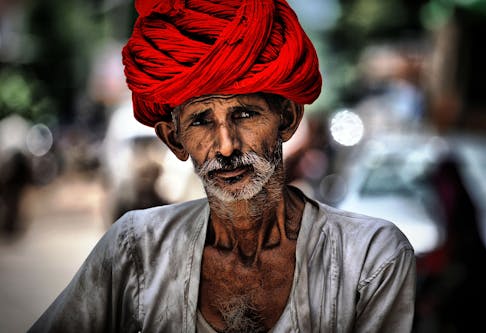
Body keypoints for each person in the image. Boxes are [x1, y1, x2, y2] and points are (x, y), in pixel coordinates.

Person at [29, 0, 416, 332]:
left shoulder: (369, 259)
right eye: (200, 121)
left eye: (244, 114)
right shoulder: (135, 250)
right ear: (173, 139)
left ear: (288, 118)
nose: (226, 146)